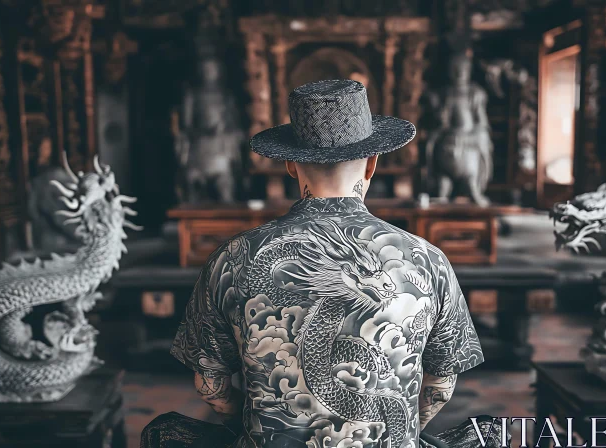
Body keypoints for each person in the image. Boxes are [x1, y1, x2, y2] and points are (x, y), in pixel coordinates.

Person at [145, 80, 487, 448]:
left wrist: (256, 423)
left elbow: (210, 385)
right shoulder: (427, 259)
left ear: (291, 165)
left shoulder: (232, 257)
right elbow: (440, 386)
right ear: (372, 164)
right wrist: (401, 431)